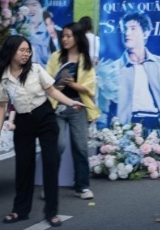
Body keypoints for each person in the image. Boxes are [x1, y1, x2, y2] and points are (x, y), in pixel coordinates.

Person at [0, 35, 85, 227]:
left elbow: (53, 91)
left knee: (50, 163)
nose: (26, 54)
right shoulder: (3, 77)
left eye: (28, 50)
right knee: (23, 167)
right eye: (22, 50)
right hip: (23, 122)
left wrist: (72, 102)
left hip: (45, 117)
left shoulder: (36, 69)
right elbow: (2, 106)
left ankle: (51, 212)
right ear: (11, 51)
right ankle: (20, 211)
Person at [46, 23, 99, 201]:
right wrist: (57, 84)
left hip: (78, 106)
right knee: (57, 145)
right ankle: (49, 186)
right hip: (58, 105)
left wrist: (71, 83)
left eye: (68, 36)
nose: (65, 39)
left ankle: (82, 186)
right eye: (63, 36)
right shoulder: (55, 57)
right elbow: (46, 81)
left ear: (77, 38)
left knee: (81, 146)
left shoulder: (86, 60)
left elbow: (90, 87)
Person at [112, 9, 160, 128]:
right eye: (125, 28)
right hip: (126, 123)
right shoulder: (114, 67)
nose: (127, 33)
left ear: (145, 33)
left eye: (133, 28)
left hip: (155, 121)